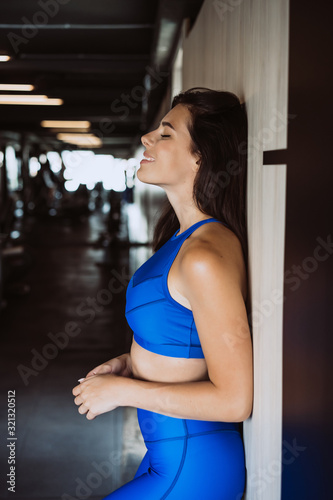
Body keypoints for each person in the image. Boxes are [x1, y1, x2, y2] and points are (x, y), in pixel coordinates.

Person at [72, 88, 253, 499]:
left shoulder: (206, 256)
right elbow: (185, 339)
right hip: (167, 457)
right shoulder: (183, 238)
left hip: (193, 467)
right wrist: (128, 364)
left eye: (165, 134)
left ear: (200, 158)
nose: (146, 139)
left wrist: (124, 391)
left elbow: (235, 400)